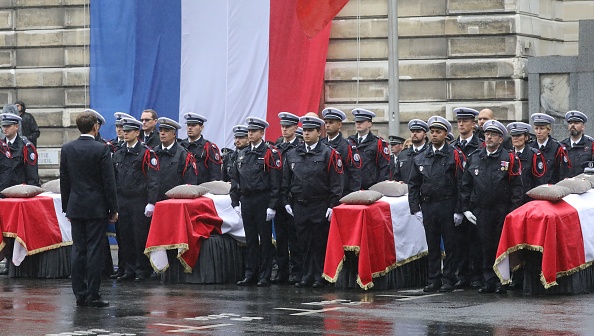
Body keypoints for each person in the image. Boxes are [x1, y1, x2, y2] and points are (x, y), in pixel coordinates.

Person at [60, 111, 118, 308]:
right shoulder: (101, 150)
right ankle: (93, 294)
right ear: (96, 127)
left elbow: (64, 181)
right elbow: (108, 182)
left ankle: (80, 294)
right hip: (96, 207)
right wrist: (113, 208)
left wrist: (67, 207)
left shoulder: (67, 148)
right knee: (94, 250)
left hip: (76, 206)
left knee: (78, 249)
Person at [460, 120, 523, 294]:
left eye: (493, 134)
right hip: (481, 209)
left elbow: (516, 187)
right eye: (487, 134)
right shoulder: (475, 157)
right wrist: (465, 208)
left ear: (501, 139)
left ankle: (501, 280)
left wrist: (512, 212)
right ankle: (488, 280)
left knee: (499, 245)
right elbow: (466, 184)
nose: (489, 137)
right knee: (484, 245)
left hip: (501, 209)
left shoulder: (509, 158)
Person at [282, 116, 343, 288]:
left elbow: (336, 182)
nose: (306, 133)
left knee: (319, 241)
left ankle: (319, 275)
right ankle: (306, 275)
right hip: (300, 204)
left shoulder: (328, 153)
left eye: (310, 131)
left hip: (320, 203)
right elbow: (286, 180)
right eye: (305, 130)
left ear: (319, 132)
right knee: (303, 241)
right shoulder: (293, 153)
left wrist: (332, 205)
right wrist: (286, 201)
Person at [408, 116, 466, 293]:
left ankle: (448, 278)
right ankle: (433, 279)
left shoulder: (455, 155)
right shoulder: (421, 157)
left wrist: (459, 210)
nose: (434, 135)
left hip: (447, 204)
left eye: (438, 132)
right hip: (429, 205)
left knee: (450, 244)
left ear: (445, 134)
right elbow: (413, 184)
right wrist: (415, 208)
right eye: (432, 132)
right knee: (432, 244)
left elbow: (461, 183)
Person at [230, 117, 282, 287]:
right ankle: (250, 273)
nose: (250, 134)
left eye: (254, 131)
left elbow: (275, 182)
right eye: (249, 131)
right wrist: (235, 202)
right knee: (250, 239)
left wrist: (272, 205)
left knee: (265, 239)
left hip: (262, 198)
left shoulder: (269, 153)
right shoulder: (242, 154)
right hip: (246, 198)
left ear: (262, 133)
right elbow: (235, 180)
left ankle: (265, 275)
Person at [112, 117, 160, 282]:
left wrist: (151, 202)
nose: (125, 134)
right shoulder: (119, 153)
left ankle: (142, 270)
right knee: (124, 236)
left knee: (139, 236)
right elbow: (114, 178)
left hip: (139, 200)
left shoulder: (146, 153)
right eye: (124, 131)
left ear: (137, 133)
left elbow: (153, 180)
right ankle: (129, 269)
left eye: (128, 131)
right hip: (123, 200)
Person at [450, 107, 484, 290]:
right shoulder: (453, 147)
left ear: (473, 124)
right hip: (456, 201)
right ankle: (463, 275)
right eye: (459, 121)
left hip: (474, 202)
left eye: (465, 121)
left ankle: (476, 276)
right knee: (459, 242)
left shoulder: (480, 146)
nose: (461, 124)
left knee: (476, 241)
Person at [271, 112, 302, 285]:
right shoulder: (277, 147)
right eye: (282, 126)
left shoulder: (299, 147)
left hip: (292, 197)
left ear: (295, 128)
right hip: (278, 196)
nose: (284, 129)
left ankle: (297, 271)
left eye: (288, 127)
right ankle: (282, 272)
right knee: (281, 237)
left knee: (294, 238)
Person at [153, 117, 197, 201]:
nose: (162, 133)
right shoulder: (153, 153)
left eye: (166, 131)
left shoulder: (183, 155)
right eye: (161, 130)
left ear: (174, 134)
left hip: (174, 200)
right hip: (155, 200)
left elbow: (190, 183)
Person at [321, 107, 362, 196]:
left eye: (331, 122)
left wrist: (352, 195)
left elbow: (355, 174)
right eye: (326, 122)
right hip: (323, 195)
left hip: (342, 194)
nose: (327, 125)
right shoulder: (321, 144)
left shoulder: (347, 146)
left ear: (339, 125)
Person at [347, 109, 389, 189]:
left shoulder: (378, 143)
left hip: (371, 187)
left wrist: (379, 188)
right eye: (356, 122)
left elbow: (384, 168)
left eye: (361, 121)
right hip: (352, 188)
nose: (358, 124)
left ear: (369, 124)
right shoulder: (349, 142)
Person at [507, 122, 546, 204]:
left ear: (526, 137)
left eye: (518, 135)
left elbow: (539, 181)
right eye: (513, 136)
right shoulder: (507, 155)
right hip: (511, 200)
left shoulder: (534, 155)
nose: (515, 138)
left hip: (528, 200)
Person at [180, 113, 223, 185]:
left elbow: (215, 174)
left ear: (201, 127)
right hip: (182, 189)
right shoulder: (181, 146)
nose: (190, 128)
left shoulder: (209, 147)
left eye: (193, 125)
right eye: (188, 125)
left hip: (202, 189)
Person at [0, 113, 39, 190]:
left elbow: (32, 174)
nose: (5, 129)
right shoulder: (1, 146)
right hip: (2, 191)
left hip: (19, 191)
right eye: (4, 126)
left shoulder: (26, 146)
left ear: (16, 127)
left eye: (8, 126)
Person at [530, 113, 569, 184]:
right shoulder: (530, 147)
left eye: (542, 128)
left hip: (551, 189)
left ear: (549, 130)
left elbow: (562, 173)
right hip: (533, 190)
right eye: (536, 128)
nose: (538, 132)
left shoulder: (557, 148)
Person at [393, 119, 429, 183]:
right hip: (405, 190)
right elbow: (397, 176)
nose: (414, 134)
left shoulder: (430, 153)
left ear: (425, 135)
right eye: (412, 131)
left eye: (418, 131)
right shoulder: (403, 154)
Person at [561, 111, 593, 178]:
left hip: (585, 184)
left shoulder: (591, 145)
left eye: (576, 123)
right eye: (570, 123)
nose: (572, 125)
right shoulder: (562, 146)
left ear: (583, 127)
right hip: (565, 185)